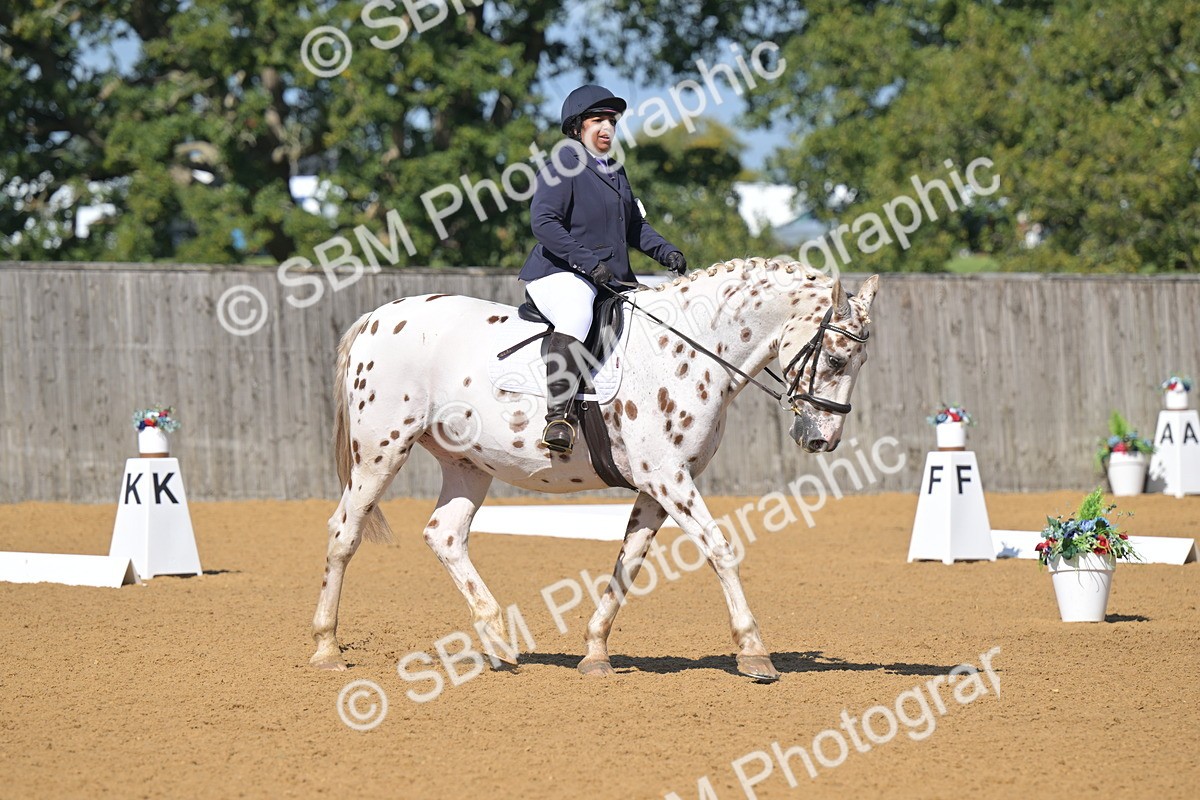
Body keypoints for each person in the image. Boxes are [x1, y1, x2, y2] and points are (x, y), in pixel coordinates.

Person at [520, 84, 688, 454]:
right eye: (598, 120)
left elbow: (635, 228)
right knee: (578, 314)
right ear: (578, 127)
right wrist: (587, 262)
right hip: (559, 273)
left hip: (607, 278)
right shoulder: (562, 165)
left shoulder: (615, 172)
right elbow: (545, 223)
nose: (607, 128)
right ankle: (558, 417)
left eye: (611, 121)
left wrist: (667, 252)